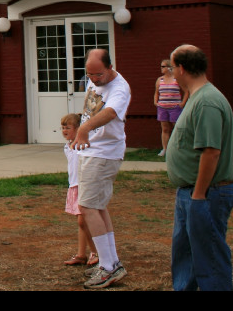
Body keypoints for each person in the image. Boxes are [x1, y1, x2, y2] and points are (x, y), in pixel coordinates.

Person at [167, 44, 233, 291]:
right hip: (190, 193)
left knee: (210, 260)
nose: (171, 73)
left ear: (182, 68)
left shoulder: (207, 101)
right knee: (186, 257)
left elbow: (211, 151)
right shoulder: (197, 98)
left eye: (172, 67)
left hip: (206, 194)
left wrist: (198, 194)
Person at [72, 48, 131, 289]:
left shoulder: (120, 88)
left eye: (98, 75)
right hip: (90, 150)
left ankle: (108, 268)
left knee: (88, 207)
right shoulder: (94, 77)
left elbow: (109, 113)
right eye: (90, 75)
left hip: (104, 153)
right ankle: (110, 262)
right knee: (97, 207)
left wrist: (85, 130)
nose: (94, 79)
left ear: (109, 67)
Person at [60, 113, 98, 268]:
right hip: (74, 186)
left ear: (78, 128)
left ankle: (96, 252)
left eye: (68, 127)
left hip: (85, 185)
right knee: (81, 223)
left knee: (83, 221)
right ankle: (81, 255)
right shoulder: (67, 146)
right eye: (62, 127)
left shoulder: (83, 145)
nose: (64, 130)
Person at [154, 59, 187, 156]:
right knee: (165, 129)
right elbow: (156, 92)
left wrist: (182, 103)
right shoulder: (160, 80)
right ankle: (165, 149)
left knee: (177, 128)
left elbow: (186, 91)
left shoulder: (177, 79)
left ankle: (178, 149)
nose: (161, 68)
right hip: (162, 107)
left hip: (175, 107)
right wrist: (156, 102)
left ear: (169, 67)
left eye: (163, 66)